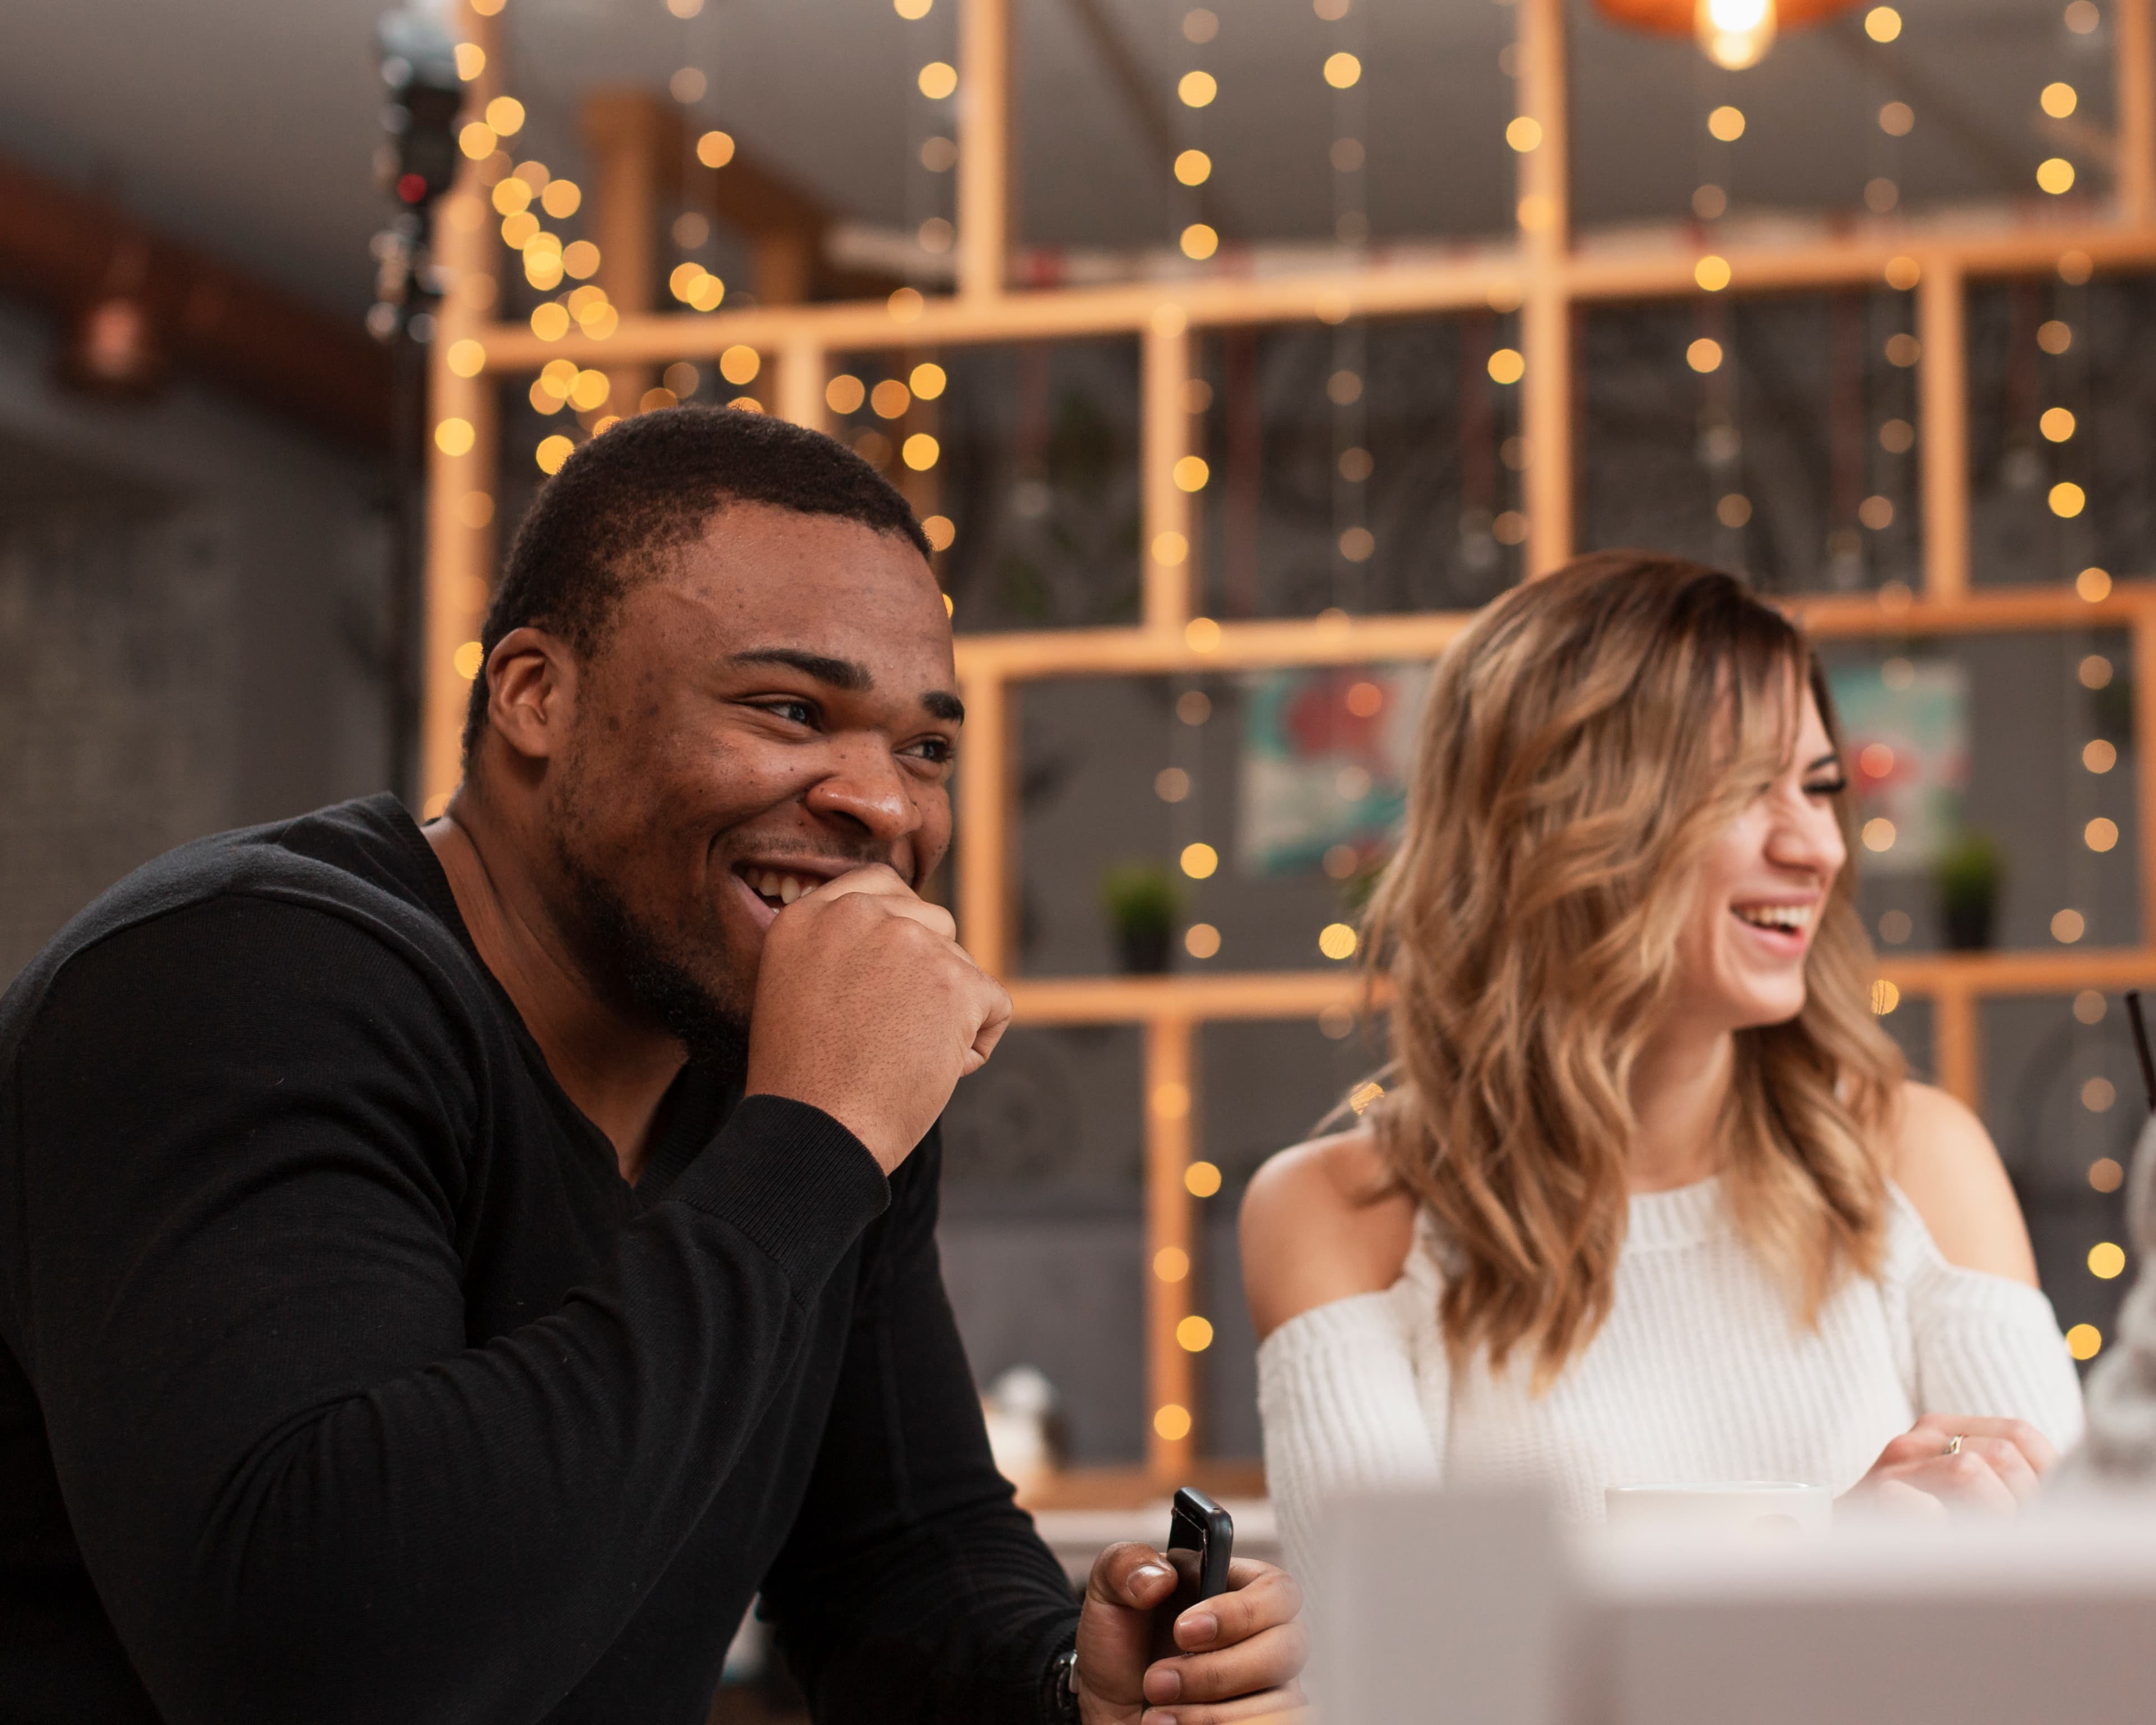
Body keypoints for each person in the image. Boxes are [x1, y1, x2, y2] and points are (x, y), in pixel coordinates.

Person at [0, 408, 1305, 1725]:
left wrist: (1075, 1687)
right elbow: (320, 1665)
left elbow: (897, 1553)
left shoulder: (782, 1059)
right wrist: (816, 1136)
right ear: (535, 695)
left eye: (925, 748)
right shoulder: (235, 980)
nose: (885, 805)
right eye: (791, 710)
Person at [1241, 553, 2085, 1581]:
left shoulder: (1917, 1157)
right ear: (1558, 823)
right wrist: (1822, 1553)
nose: (1819, 847)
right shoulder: (1340, 1216)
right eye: (1741, 791)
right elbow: (1400, 1640)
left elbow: (2074, 1599)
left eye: (1820, 788)